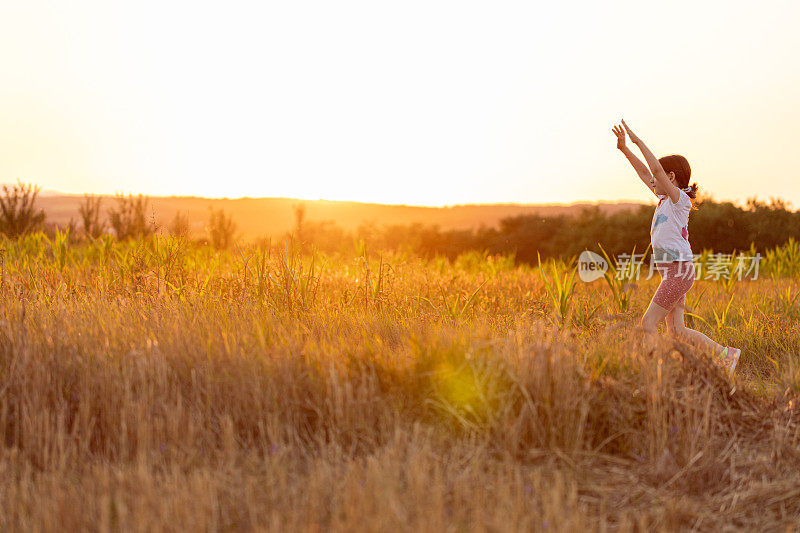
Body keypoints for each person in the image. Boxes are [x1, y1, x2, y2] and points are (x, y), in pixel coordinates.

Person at [612, 119, 740, 376]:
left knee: (648, 324)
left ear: (670, 177)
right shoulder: (663, 199)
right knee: (676, 331)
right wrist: (625, 149)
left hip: (678, 272)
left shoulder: (679, 200)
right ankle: (727, 355)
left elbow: (655, 173)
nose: (653, 181)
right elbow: (646, 174)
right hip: (673, 273)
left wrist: (638, 141)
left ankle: (653, 375)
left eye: (660, 176)